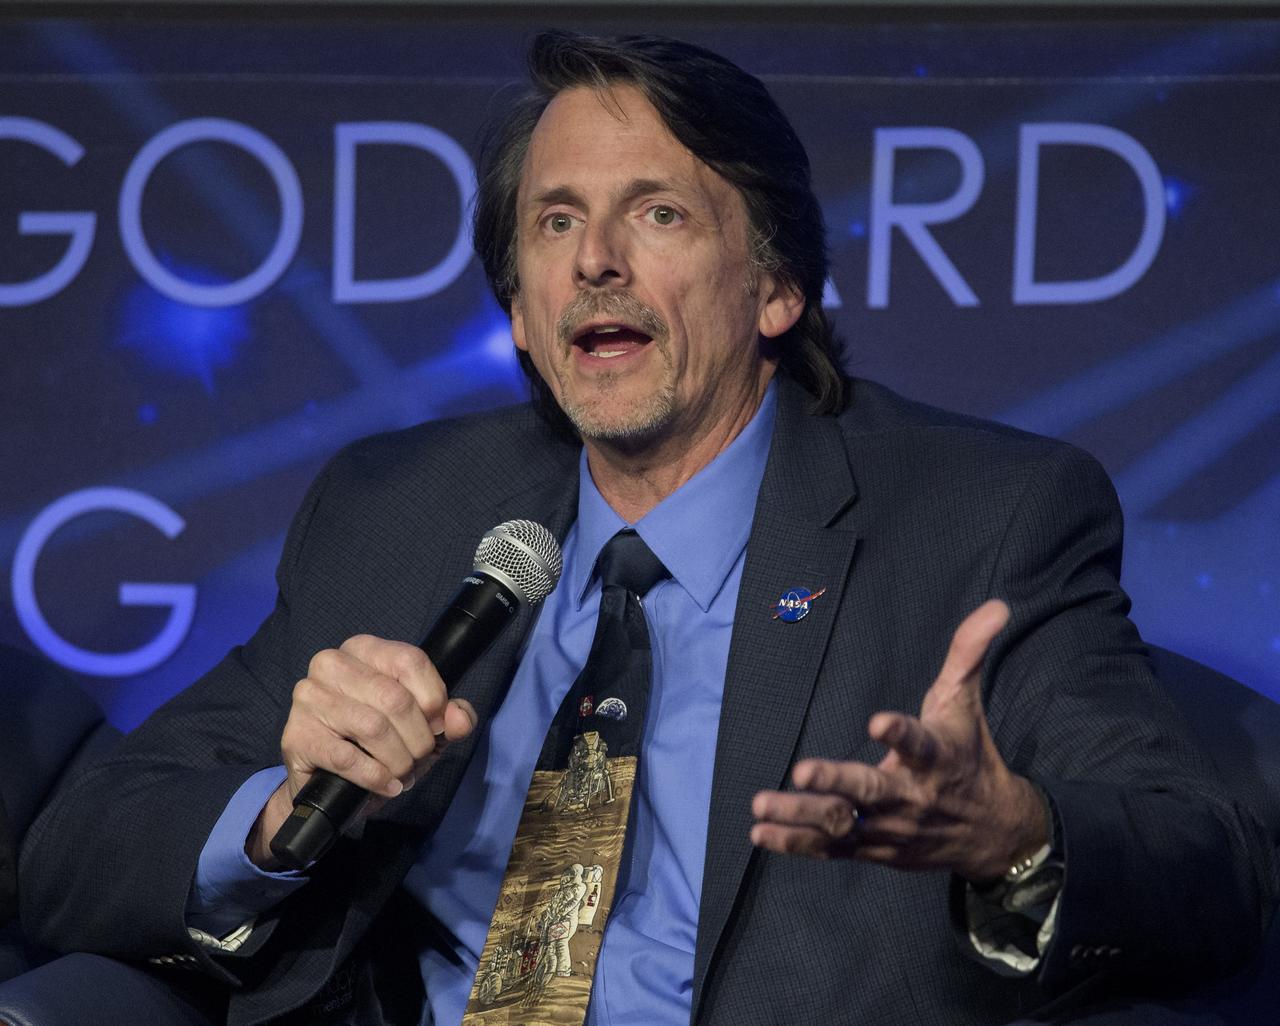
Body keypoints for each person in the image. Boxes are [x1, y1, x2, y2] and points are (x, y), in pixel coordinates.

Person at [20, 30, 1273, 1026]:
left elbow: (1204, 866)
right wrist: (275, 812)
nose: (597, 262)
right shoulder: (396, 512)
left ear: (776, 287)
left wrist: (1015, 838)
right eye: (555, 223)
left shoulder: (983, 520)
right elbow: (78, 850)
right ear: (519, 312)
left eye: (659, 214)